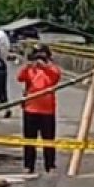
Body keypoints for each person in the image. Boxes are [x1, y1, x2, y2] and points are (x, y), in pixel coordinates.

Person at [17, 44, 61, 174]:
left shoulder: (51, 69)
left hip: (47, 110)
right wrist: (28, 64)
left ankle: (50, 164)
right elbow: (20, 77)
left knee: (48, 139)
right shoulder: (30, 69)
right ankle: (29, 165)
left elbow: (56, 77)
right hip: (31, 109)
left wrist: (45, 66)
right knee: (29, 139)